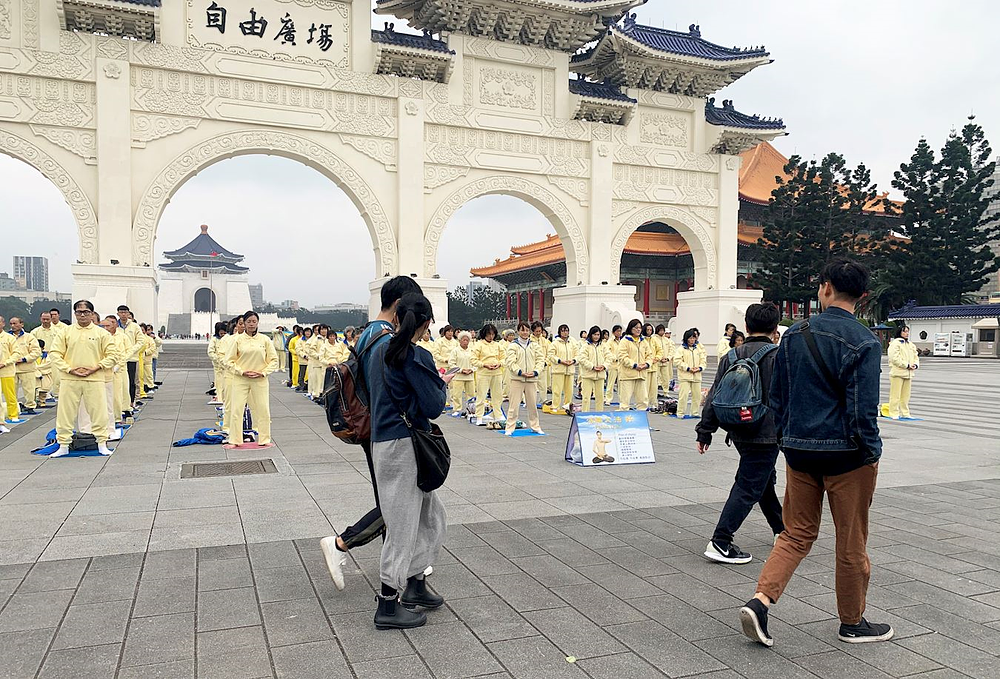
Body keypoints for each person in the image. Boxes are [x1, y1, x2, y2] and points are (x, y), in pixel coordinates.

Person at [739, 258, 891, 648]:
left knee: (794, 534)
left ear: (824, 288)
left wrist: (790, 438)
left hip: (800, 452)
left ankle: (761, 601)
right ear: (863, 295)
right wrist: (870, 453)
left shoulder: (792, 336)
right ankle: (852, 622)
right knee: (850, 540)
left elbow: (778, 398)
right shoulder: (865, 342)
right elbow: (863, 411)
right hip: (847, 457)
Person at [319, 276, 423, 591]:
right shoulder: (385, 339)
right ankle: (341, 544)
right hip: (387, 431)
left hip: (374, 427)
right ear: (399, 305)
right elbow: (388, 391)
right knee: (397, 503)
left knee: (394, 501)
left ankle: (405, 569)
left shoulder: (368, 334)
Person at [366, 292, 449, 630]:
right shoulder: (415, 355)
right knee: (402, 525)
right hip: (404, 446)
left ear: (396, 318)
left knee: (429, 515)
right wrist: (441, 385)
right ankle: (387, 604)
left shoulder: (378, 349)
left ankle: (415, 583)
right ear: (427, 323)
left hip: (384, 441)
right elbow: (432, 406)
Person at [696, 303, 785, 565]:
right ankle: (721, 541)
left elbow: (714, 395)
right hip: (767, 431)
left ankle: (782, 529)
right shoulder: (779, 356)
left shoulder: (731, 356)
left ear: (746, 327)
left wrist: (705, 431)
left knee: (762, 480)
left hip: (737, 428)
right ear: (775, 328)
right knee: (749, 484)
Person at [49, 300, 116, 457]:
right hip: (70, 378)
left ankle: (101, 443)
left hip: (94, 378)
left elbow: (113, 355)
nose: (83, 315)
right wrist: (69, 369)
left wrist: (96, 367)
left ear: (92, 314)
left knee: (99, 411)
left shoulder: (102, 333)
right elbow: (55, 353)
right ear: (75, 314)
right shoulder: (66, 332)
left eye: (86, 312)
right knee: (65, 412)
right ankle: (64, 445)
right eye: (79, 312)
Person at [224, 311, 278, 447]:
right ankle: (235, 440)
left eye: (254, 321)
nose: (252, 324)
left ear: (258, 323)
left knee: (263, 409)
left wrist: (263, 372)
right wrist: (241, 372)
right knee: (237, 409)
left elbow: (273, 360)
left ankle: (264, 439)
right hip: (241, 379)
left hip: (260, 379)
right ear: (244, 324)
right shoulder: (237, 339)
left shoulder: (264, 340)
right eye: (249, 322)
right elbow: (228, 361)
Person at [503, 322, 544, 436]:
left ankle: (535, 426)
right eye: (522, 330)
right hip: (517, 379)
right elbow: (510, 362)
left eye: (527, 330)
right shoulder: (513, 346)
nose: (525, 332)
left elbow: (540, 360)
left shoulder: (534, 345)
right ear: (518, 331)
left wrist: (535, 372)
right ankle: (510, 427)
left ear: (529, 332)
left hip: (531, 379)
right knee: (514, 405)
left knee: (532, 405)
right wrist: (520, 372)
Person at [470, 324, 504, 426]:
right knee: (481, 395)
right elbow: (473, 359)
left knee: (497, 395)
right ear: (484, 334)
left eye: (493, 334)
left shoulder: (498, 345)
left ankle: (497, 414)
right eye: (489, 334)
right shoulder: (479, 345)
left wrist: (499, 364)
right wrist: (484, 365)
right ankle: (479, 415)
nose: (491, 336)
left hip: (497, 372)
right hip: (483, 373)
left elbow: (504, 358)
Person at [9, 318, 42, 415]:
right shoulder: (7, 337)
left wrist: (24, 359)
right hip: (11, 368)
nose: (12, 326)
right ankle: (13, 407)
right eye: (11, 323)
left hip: (27, 367)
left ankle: (30, 406)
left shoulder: (29, 337)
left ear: (21, 324)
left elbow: (36, 352)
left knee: (29, 389)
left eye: (15, 323)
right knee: (11, 390)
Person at [887, 325, 918, 419]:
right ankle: (893, 412)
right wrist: (906, 365)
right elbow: (894, 358)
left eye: (907, 331)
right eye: (904, 331)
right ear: (899, 332)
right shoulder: (895, 343)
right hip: (897, 373)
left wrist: (915, 365)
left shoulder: (910, 344)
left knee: (905, 396)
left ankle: (905, 413)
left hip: (908, 374)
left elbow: (915, 356)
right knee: (895, 395)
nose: (906, 333)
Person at [616, 319, 648, 411]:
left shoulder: (643, 341)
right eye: (636, 328)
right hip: (627, 375)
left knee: (643, 400)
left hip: (641, 374)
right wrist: (634, 365)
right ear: (631, 328)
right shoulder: (625, 341)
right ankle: (623, 423)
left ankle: (641, 422)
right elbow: (622, 356)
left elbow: (649, 354)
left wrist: (646, 364)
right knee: (625, 402)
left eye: (640, 328)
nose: (638, 330)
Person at [674, 329, 706, 418]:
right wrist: (687, 368)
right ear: (686, 339)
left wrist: (699, 368)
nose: (692, 340)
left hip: (696, 376)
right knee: (683, 395)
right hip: (685, 376)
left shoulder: (698, 349)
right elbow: (677, 361)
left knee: (697, 396)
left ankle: (694, 412)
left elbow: (703, 361)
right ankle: (680, 412)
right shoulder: (681, 349)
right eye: (690, 338)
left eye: (693, 338)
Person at [31, 311, 61, 403]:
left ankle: (57, 395)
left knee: (56, 377)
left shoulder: (58, 331)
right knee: (40, 377)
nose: (45, 321)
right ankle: (39, 396)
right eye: (44, 319)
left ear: (51, 319)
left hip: (55, 356)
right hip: (40, 357)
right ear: (40, 319)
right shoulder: (35, 332)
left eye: (47, 319)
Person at [578, 326, 609, 411]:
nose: (596, 336)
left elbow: (609, 357)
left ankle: (599, 414)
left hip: (600, 375)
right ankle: (585, 414)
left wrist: (604, 366)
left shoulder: (603, 345)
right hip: (588, 374)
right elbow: (582, 358)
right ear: (591, 335)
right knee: (586, 397)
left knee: (600, 397)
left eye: (598, 334)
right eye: (594, 334)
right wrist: (592, 367)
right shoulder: (585, 345)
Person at [0, 316, 25, 424]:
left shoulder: (9, 338)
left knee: (10, 394)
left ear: (3, 323)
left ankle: (13, 415)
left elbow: (16, 353)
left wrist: (5, 363)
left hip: (7, 370)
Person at [117, 305, 143, 406]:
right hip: (119, 359)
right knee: (120, 382)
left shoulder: (135, 326)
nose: (123, 314)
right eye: (121, 312)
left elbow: (140, 341)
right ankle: (121, 404)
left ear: (128, 313)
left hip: (131, 358)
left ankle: (131, 403)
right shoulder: (116, 326)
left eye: (125, 312)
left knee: (131, 381)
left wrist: (131, 351)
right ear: (118, 313)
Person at [548, 324, 576, 413]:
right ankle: (555, 405)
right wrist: (560, 361)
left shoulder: (572, 342)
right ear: (559, 332)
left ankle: (567, 406)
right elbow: (551, 355)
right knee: (557, 389)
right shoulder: (555, 343)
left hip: (570, 369)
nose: (565, 333)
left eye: (566, 330)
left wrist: (573, 361)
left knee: (569, 390)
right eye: (563, 331)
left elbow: (578, 354)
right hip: (559, 370)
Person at [447, 331, 475, 416]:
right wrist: (461, 370)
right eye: (463, 340)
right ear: (459, 340)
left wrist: (472, 369)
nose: (465, 342)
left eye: (467, 340)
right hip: (458, 376)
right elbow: (451, 363)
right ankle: (457, 409)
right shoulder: (455, 351)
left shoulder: (472, 351)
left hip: (470, 376)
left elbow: (476, 362)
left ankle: (470, 410)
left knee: (471, 394)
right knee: (457, 394)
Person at [641, 322, 662, 410]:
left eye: (650, 330)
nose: (649, 331)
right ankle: (644, 403)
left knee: (654, 388)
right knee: (644, 387)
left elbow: (660, 350)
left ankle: (653, 403)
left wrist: (656, 358)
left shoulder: (654, 340)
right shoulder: (641, 340)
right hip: (645, 367)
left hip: (654, 367)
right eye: (647, 330)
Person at [530, 322, 551, 405]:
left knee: (543, 385)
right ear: (533, 331)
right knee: (532, 385)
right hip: (533, 366)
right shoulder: (530, 341)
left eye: (540, 331)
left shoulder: (546, 341)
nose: (538, 333)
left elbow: (550, 353)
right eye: (537, 331)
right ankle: (531, 401)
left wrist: (546, 362)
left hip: (543, 366)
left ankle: (543, 399)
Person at [208, 322, 228, 405]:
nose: (223, 335)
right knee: (219, 384)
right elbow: (210, 352)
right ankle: (220, 399)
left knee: (227, 385)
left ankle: (226, 399)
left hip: (227, 366)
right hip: (218, 367)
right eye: (221, 333)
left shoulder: (228, 339)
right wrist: (218, 360)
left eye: (224, 333)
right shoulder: (214, 339)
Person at [604, 324, 623, 404]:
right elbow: (608, 352)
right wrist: (615, 358)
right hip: (613, 364)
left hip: (621, 365)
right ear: (613, 332)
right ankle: (608, 399)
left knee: (621, 384)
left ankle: (622, 400)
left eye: (620, 331)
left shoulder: (622, 341)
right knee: (611, 383)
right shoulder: (610, 342)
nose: (619, 333)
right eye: (617, 331)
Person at [657, 326, 676, 393]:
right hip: (657, 362)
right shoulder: (655, 339)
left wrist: (668, 358)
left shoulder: (668, 341)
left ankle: (666, 391)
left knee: (666, 377)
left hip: (667, 362)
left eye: (669, 333)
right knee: (657, 377)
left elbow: (672, 350)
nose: (668, 334)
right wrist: (659, 358)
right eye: (667, 333)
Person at [295, 326, 313, 392]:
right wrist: (304, 356)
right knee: (302, 374)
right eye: (306, 331)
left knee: (311, 374)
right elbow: (298, 350)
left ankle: (308, 386)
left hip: (311, 359)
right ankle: (301, 386)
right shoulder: (300, 340)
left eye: (309, 331)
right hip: (303, 359)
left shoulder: (313, 340)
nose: (308, 333)